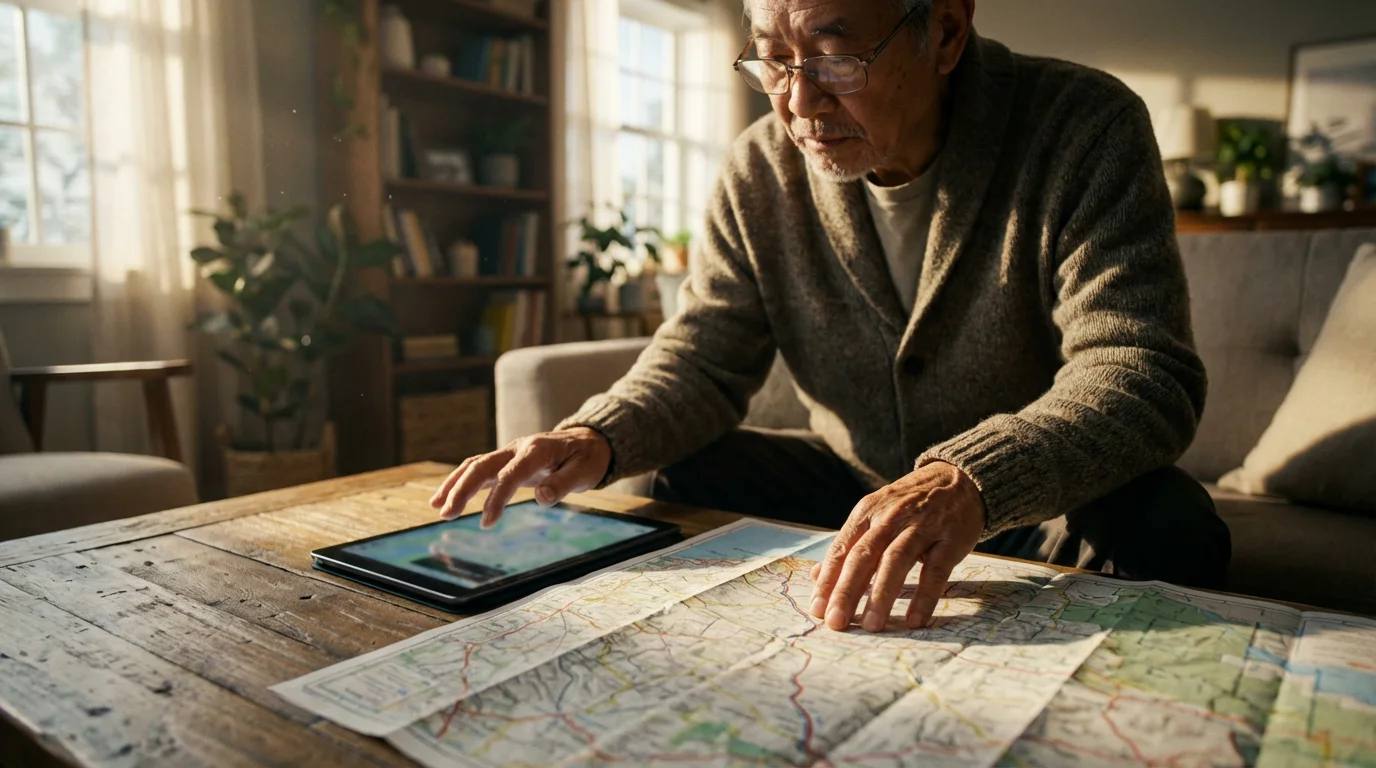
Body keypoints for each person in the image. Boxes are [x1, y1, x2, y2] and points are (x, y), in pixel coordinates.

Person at [431, 0, 1230, 634]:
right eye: (773, 60)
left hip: (1030, 505)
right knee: (681, 473)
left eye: (834, 57)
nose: (799, 102)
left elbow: (1140, 368)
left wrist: (970, 479)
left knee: (1169, 525)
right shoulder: (757, 169)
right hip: (854, 488)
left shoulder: (1083, 126)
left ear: (945, 31)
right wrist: (594, 435)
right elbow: (704, 357)